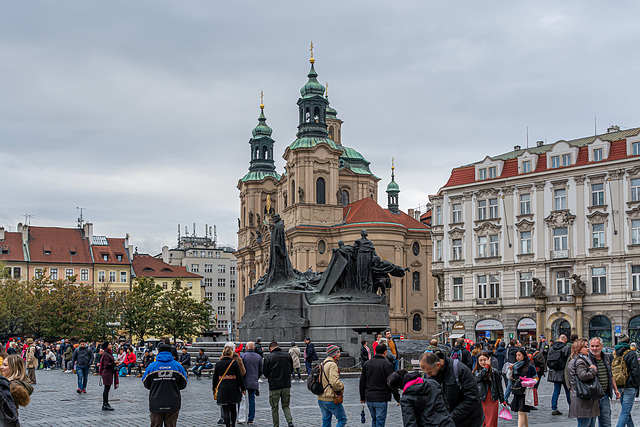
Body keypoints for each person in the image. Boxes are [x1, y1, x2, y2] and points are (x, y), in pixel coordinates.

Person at [421, 351, 483, 427]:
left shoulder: (460, 369)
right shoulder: (433, 373)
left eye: (429, 372)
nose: (428, 375)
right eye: (425, 373)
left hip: (468, 420)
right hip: (449, 420)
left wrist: (450, 417)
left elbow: (472, 399)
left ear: (438, 364)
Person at [387, 367, 455, 427]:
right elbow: (446, 405)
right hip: (446, 423)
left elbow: (410, 422)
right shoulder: (433, 383)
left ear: (400, 386)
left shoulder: (406, 398)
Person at [142, 343, 188, 427]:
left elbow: (146, 384)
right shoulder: (178, 366)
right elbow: (183, 384)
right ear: (171, 352)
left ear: (158, 351)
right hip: (173, 402)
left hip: (156, 401)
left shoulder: (151, 366)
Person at [359, 343, 399, 427]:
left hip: (369, 397)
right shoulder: (386, 364)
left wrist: (362, 397)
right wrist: (398, 398)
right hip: (381, 397)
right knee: (380, 421)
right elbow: (392, 382)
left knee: (374, 419)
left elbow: (362, 382)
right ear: (385, 352)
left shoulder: (367, 364)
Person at [566, 339, 599, 426]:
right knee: (584, 424)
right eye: (585, 347)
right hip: (583, 396)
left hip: (583, 396)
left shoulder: (579, 359)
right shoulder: (580, 361)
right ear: (578, 349)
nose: (588, 348)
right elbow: (583, 376)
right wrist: (593, 369)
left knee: (588, 423)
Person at [588, 337, 619, 427]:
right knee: (591, 423)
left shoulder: (606, 357)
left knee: (606, 422)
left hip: (604, 394)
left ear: (601, 346)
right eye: (592, 346)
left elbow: (610, 374)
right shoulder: (587, 359)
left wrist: (615, 389)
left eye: (597, 346)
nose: (594, 348)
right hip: (592, 396)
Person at [212, 345, 246, 427]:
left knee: (226, 409)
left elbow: (215, 378)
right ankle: (233, 425)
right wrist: (243, 388)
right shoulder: (234, 363)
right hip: (233, 388)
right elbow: (239, 377)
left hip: (223, 388)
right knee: (233, 408)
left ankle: (227, 425)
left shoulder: (218, 363)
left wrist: (214, 388)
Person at [263, 341, 294, 427]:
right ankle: (289, 421)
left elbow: (265, 372)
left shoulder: (269, 357)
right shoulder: (287, 355)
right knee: (286, 405)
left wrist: (271, 377)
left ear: (270, 348)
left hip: (274, 385)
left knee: (274, 407)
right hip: (286, 384)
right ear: (278, 346)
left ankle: (276, 425)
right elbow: (291, 369)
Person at [613, 334, 640, 427]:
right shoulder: (631, 353)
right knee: (625, 412)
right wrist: (637, 385)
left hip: (618, 385)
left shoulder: (614, 353)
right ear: (628, 342)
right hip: (629, 386)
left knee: (626, 411)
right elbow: (636, 371)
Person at [473, 351, 505, 427]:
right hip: (481, 399)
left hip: (492, 399)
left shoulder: (494, 372)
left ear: (488, 359)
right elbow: (480, 377)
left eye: (484, 360)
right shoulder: (476, 372)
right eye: (480, 360)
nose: (483, 362)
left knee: (491, 423)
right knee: (481, 422)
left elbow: (499, 387)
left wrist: (502, 400)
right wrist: (486, 367)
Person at [318, 345, 347, 427]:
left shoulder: (322, 363)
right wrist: (342, 386)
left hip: (321, 398)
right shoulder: (332, 365)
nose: (340, 354)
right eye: (338, 352)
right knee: (342, 419)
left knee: (326, 422)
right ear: (333, 354)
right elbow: (334, 383)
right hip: (330, 398)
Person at [509, 349, 538, 427]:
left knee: (521, 411)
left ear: (523, 356)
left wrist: (531, 382)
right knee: (522, 411)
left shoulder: (530, 366)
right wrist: (510, 370)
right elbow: (509, 377)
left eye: (519, 355)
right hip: (517, 390)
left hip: (526, 391)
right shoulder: (514, 366)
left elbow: (536, 377)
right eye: (516, 356)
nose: (517, 357)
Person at [547, 334, 571, 415]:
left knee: (556, 390)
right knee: (568, 390)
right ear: (564, 339)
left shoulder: (551, 348)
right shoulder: (566, 348)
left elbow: (548, 360)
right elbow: (569, 361)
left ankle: (554, 408)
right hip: (564, 372)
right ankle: (571, 408)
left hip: (554, 372)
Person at [241, 341, 263, 425]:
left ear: (246, 347)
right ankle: (251, 418)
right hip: (253, 381)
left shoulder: (243, 356)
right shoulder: (258, 357)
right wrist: (256, 377)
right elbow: (261, 370)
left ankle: (240, 417)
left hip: (243, 381)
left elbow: (240, 369)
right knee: (252, 400)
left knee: (241, 400)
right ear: (253, 348)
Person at [99, 341, 118, 411]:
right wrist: (114, 363)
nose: (111, 345)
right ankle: (105, 404)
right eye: (109, 344)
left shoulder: (108, 353)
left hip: (108, 373)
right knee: (106, 389)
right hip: (107, 373)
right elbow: (106, 364)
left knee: (107, 389)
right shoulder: (106, 354)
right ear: (106, 346)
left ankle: (105, 403)